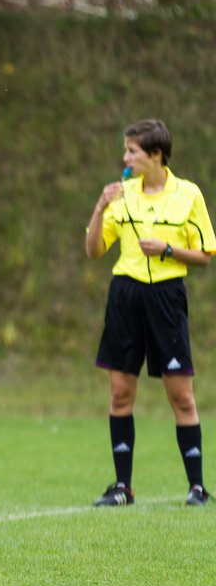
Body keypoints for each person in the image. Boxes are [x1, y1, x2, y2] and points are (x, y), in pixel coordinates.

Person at [86, 119, 215, 507]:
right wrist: (99, 206)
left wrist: (167, 251)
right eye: (126, 151)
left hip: (166, 298)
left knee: (182, 397)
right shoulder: (120, 194)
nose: (125, 158)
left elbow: (206, 255)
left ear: (155, 155)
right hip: (125, 296)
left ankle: (197, 487)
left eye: (132, 151)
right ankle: (123, 488)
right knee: (120, 393)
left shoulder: (188, 195)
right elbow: (94, 250)